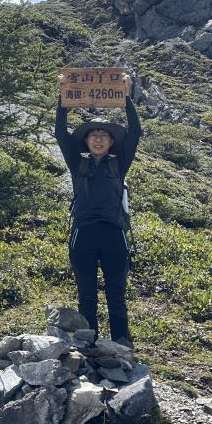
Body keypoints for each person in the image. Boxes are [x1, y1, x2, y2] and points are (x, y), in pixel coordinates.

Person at [55, 75, 141, 348]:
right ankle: (90, 344)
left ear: (112, 141)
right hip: (83, 234)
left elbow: (135, 133)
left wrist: (126, 96)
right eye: (94, 135)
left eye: (104, 135)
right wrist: (62, 97)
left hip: (114, 234)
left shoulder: (119, 163)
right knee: (87, 295)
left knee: (116, 294)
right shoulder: (77, 163)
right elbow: (60, 134)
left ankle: (121, 344)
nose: (99, 139)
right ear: (87, 141)